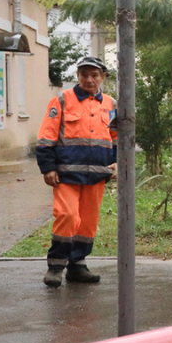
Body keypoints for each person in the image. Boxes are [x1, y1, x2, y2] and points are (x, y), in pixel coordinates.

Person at [35, 56, 117, 288]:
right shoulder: (61, 100)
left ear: (102, 77)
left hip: (97, 175)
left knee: (87, 223)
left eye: (94, 75)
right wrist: (48, 167)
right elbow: (45, 136)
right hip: (66, 175)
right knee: (68, 216)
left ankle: (77, 264)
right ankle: (56, 266)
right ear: (78, 76)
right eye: (84, 75)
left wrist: (118, 163)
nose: (89, 79)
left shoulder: (111, 104)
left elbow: (118, 140)